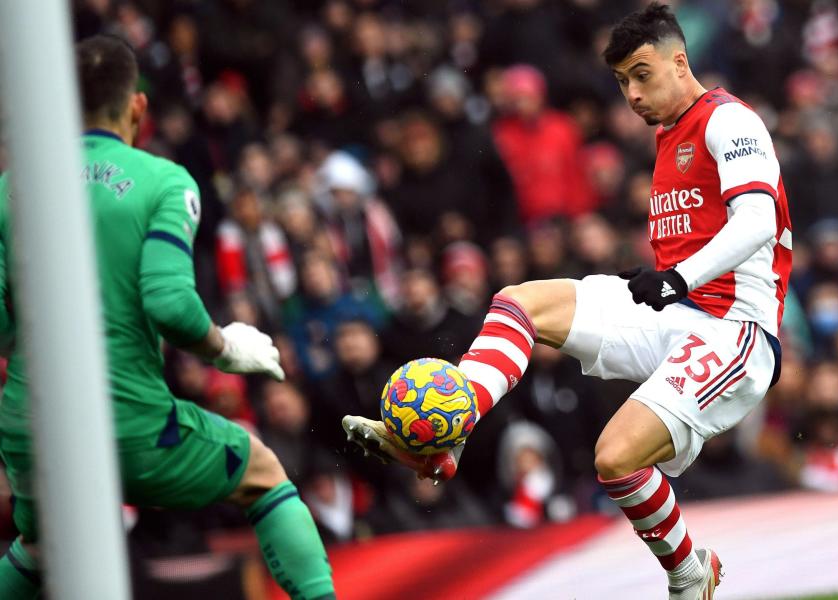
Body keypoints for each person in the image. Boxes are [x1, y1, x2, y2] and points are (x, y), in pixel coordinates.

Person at [344, 4, 792, 599]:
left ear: (679, 61)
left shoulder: (729, 121)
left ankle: (690, 573)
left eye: (641, 74)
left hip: (733, 331)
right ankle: (451, 432)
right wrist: (667, 279)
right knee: (519, 303)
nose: (631, 94)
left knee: (616, 459)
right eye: (621, 82)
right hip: (677, 312)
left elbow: (758, 220)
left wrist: (678, 277)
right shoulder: (667, 137)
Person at [0, 36, 335, 599]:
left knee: (41, 545)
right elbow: (172, 306)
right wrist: (225, 348)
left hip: (29, 424)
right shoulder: (163, 181)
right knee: (260, 473)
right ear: (137, 108)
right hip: (127, 420)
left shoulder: (9, 190)